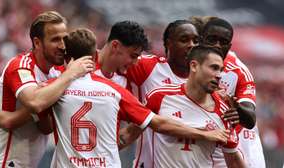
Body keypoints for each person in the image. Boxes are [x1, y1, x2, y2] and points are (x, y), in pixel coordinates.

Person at [49, 28, 230, 168]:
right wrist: (204, 133)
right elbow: (158, 123)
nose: (135, 63)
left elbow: (38, 114)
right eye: (134, 56)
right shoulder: (114, 90)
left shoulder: (53, 86)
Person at [0, 11, 93, 168]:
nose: (63, 46)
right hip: (4, 164)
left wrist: (10, 119)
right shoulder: (20, 66)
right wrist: (68, 76)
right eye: (55, 39)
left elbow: (46, 127)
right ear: (37, 43)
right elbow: (35, 102)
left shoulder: (58, 73)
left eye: (64, 39)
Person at [144, 45, 246, 168]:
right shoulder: (160, 96)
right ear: (194, 66)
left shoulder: (224, 112)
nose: (219, 75)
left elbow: (234, 161)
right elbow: (131, 133)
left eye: (221, 70)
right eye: (214, 68)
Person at [120, 19, 199, 168]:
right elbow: (112, 61)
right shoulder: (148, 67)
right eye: (184, 40)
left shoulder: (204, 80)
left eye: (196, 41)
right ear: (168, 44)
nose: (191, 45)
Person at [196, 17, 265, 168]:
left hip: (229, 146)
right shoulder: (187, 60)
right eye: (212, 39)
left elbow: (249, 118)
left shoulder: (238, 72)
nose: (217, 46)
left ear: (229, 45)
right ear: (201, 39)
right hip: (194, 139)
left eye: (223, 42)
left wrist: (237, 109)